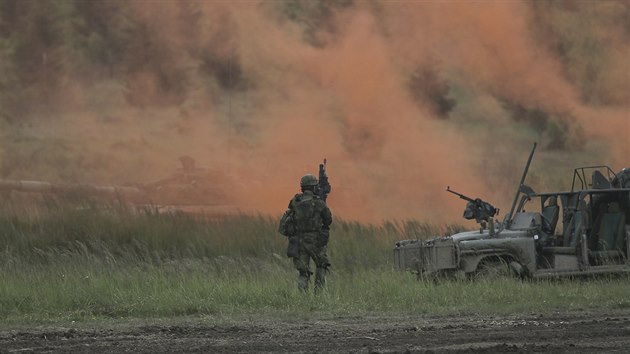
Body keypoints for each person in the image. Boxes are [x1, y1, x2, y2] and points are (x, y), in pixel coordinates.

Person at [286, 174, 332, 292]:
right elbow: (328, 220)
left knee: (303, 271)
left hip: (299, 240)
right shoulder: (319, 203)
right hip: (316, 240)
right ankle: (319, 295)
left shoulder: (295, 201)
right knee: (321, 266)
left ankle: (302, 298)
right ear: (313, 187)